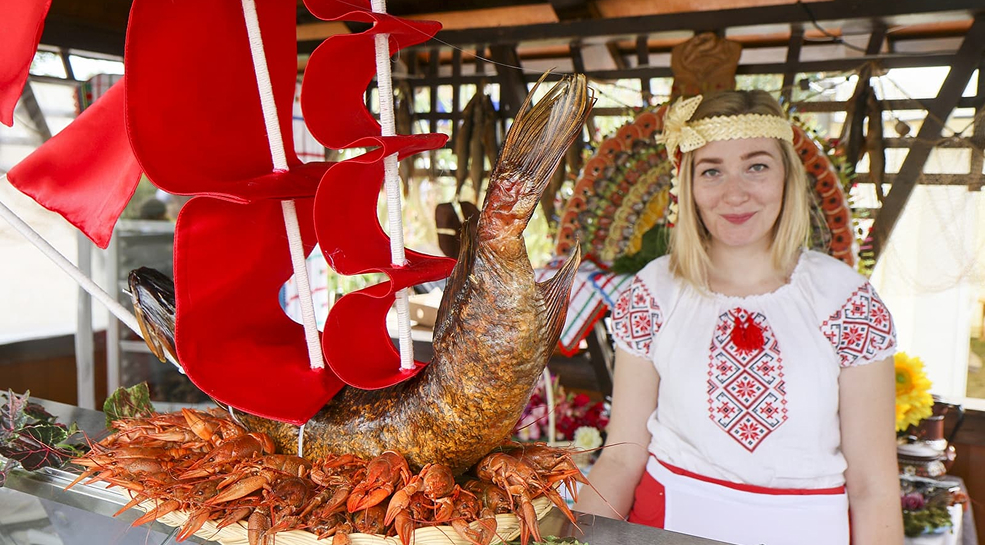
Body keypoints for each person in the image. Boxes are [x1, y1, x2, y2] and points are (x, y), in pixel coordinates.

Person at [573, 90, 903, 544]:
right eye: (712, 171)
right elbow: (620, 459)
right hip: (668, 525)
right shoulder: (655, 292)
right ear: (687, 185)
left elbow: (874, 488)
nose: (735, 193)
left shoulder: (846, 301)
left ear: (787, 174)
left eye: (757, 166)